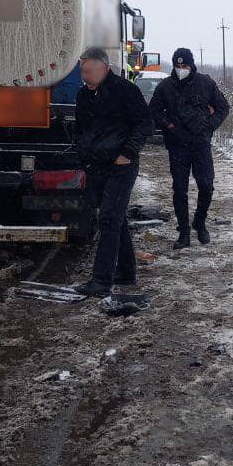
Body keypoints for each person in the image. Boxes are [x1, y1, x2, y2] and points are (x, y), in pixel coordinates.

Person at [73, 47, 154, 297]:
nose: (85, 76)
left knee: (108, 218)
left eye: (89, 71)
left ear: (105, 68)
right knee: (115, 218)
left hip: (122, 165)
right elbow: (82, 129)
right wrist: (83, 155)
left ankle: (101, 281)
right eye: (82, 71)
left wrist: (127, 153)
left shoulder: (124, 90)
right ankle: (127, 272)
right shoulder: (83, 95)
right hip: (96, 165)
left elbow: (145, 123)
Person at [149, 47, 230, 249]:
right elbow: (154, 111)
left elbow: (223, 107)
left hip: (201, 144)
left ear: (191, 65)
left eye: (185, 65)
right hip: (177, 146)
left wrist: (210, 125)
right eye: (178, 66)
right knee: (179, 188)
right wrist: (168, 125)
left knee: (206, 185)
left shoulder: (205, 83)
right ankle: (183, 232)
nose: (181, 69)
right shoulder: (165, 87)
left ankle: (200, 222)